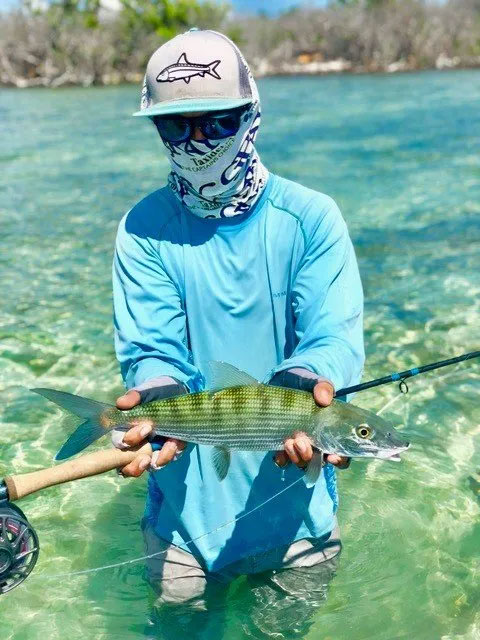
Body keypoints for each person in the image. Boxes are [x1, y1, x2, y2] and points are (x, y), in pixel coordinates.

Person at [111, 28, 364, 637]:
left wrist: (302, 386)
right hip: (181, 524)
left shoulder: (310, 219)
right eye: (177, 126)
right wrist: (156, 400)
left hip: (300, 520)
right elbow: (151, 350)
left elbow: (335, 337)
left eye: (218, 122)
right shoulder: (142, 231)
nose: (197, 143)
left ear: (252, 115)